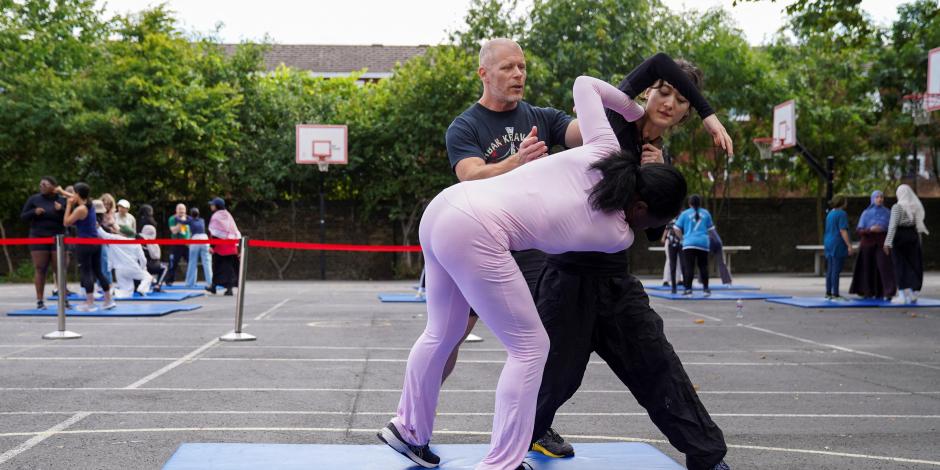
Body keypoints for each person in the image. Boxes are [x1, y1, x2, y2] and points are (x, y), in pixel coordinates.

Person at [378, 74, 688, 470]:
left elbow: (583, 85)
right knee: (530, 348)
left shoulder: (604, 147)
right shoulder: (617, 234)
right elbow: (614, 225)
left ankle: (408, 430)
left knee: (442, 331)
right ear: (642, 210)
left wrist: (632, 113)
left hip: (444, 207)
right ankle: (502, 463)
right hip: (479, 230)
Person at [531, 53, 732, 470]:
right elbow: (657, 61)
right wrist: (711, 116)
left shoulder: (658, 158)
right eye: (664, 91)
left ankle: (707, 455)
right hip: (568, 274)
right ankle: (525, 435)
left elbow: (653, 233)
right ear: (648, 92)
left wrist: (653, 179)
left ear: (683, 116)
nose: (669, 103)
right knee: (554, 377)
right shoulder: (613, 121)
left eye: (681, 101)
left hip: (615, 280)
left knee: (657, 363)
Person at [441, 38, 582, 397]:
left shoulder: (542, 118)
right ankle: (416, 415)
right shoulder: (465, 126)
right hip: (480, 243)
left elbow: (583, 133)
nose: (518, 74)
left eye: (522, 67)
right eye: (508, 67)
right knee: (449, 336)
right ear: (484, 73)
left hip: (531, 245)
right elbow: (470, 174)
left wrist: (625, 106)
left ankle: (537, 424)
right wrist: (515, 162)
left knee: (544, 336)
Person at [60, 183, 115, 312]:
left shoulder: (80, 209)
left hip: (85, 243)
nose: (72, 195)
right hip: (96, 242)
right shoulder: (89, 204)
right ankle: (108, 301)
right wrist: (62, 191)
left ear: (78, 194)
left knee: (86, 272)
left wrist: (68, 205)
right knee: (98, 272)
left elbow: (66, 222)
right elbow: (76, 197)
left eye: (74, 193)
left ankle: (89, 303)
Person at [20, 176, 68, 309]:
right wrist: (34, 212)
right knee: (40, 268)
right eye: (40, 184)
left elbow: (70, 220)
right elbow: (23, 217)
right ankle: (40, 301)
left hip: (57, 237)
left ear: (54, 186)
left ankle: (64, 300)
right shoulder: (34, 199)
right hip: (38, 237)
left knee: (59, 269)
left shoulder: (62, 200)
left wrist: (61, 210)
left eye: (45, 185)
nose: (42, 187)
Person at [885, 184, 928, 304]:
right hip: (913, 236)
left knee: (900, 265)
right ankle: (914, 294)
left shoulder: (897, 207)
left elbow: (892, 226)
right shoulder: (916, 206)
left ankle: (902, 295)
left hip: (899, 237)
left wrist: (887, 242)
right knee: (914, 264)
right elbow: (919, 224)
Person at [849, 190, 896, 300]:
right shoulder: (866, 213)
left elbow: (892, 229)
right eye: (877, 197)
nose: (880, 199)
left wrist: (884, 233)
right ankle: (867, 291)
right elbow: (859, 230)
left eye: (881, 197)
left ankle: (888, 292)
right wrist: (870, 229)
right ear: (873, 199)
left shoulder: (887, 212)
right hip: (868, 243)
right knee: (867, 268)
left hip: (882, 243)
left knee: (885, 267)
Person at [675, 194, 714, 296]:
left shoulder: (685, 214)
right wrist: (707, 239)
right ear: (700, 203)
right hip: (703, 243)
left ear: (689, 203)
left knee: (689, 267)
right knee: (703, 267)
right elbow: (711, 230)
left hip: (689, 244)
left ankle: (688, 289)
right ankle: (706, 289)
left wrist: (682, 239)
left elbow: (676, 228)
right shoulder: (706, 213)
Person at [97, 226, 152, 297]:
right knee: (148, 277)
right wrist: (143, 268)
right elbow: (143, 259)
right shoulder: (136, 243)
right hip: (132, 267)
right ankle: (141, 289)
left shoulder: (116, 239)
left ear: (122, 234)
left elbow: (104, 234)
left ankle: (113, 292)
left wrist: (97, 226)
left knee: (126, 292)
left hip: (119, 270)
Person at [823, 195, 855, 300]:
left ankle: (828, 292)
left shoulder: (830, 214)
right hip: (837, 243)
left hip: (828, 242)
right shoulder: (842, 214)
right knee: (836, 269)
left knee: (830, 269)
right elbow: (843, 230)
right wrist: (849, 245)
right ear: (842, 203)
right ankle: (835, 293)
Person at [207, 197, 240, 296]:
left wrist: (212, 246)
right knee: (229, 269)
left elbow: (215, 233)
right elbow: (234, 231)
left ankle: (214, 287)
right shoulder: (228, 215)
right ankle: (226, 289)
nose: (211, 206)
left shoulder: (216, 216)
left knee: (217, 267)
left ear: (217, 206)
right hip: (231, 246)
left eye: (212, 204)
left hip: (221, 247)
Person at [184, 207, 213, 288]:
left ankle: (190, 283)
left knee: (192, 262)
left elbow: (182, 221)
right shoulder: (201, 220)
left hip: (195, 239)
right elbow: (193, 219)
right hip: (204, 238)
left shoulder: (190, 221)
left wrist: (177, 216)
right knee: (207, 262)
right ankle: (210, 282)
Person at [164, 203, 190, 286]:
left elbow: (191, 231)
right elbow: (173, 230)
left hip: (187, 244)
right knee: (173, 263)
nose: (182, 212)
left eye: (183, 210)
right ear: (176, 210)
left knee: (191, 262)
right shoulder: (172, 219)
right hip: (176, 244)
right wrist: (180, 222)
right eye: (180, 210)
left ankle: (190, 281)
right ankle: (169, 280)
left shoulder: (189, 218)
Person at [140, 225, 167, 291]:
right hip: (149, 266)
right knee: (164, 267)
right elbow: (156, 256)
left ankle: (151, 282)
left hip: (138, 266)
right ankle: (158, 285)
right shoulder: (152, 242)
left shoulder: (137, 239)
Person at [661, 216, 683, 293]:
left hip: (679, 242)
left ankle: (679, 279)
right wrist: (663, 237)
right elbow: (667, 228)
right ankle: (666, 280)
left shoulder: (682, 219)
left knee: (679, 261)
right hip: (670, 242)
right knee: (670, 260)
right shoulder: (671, 218)